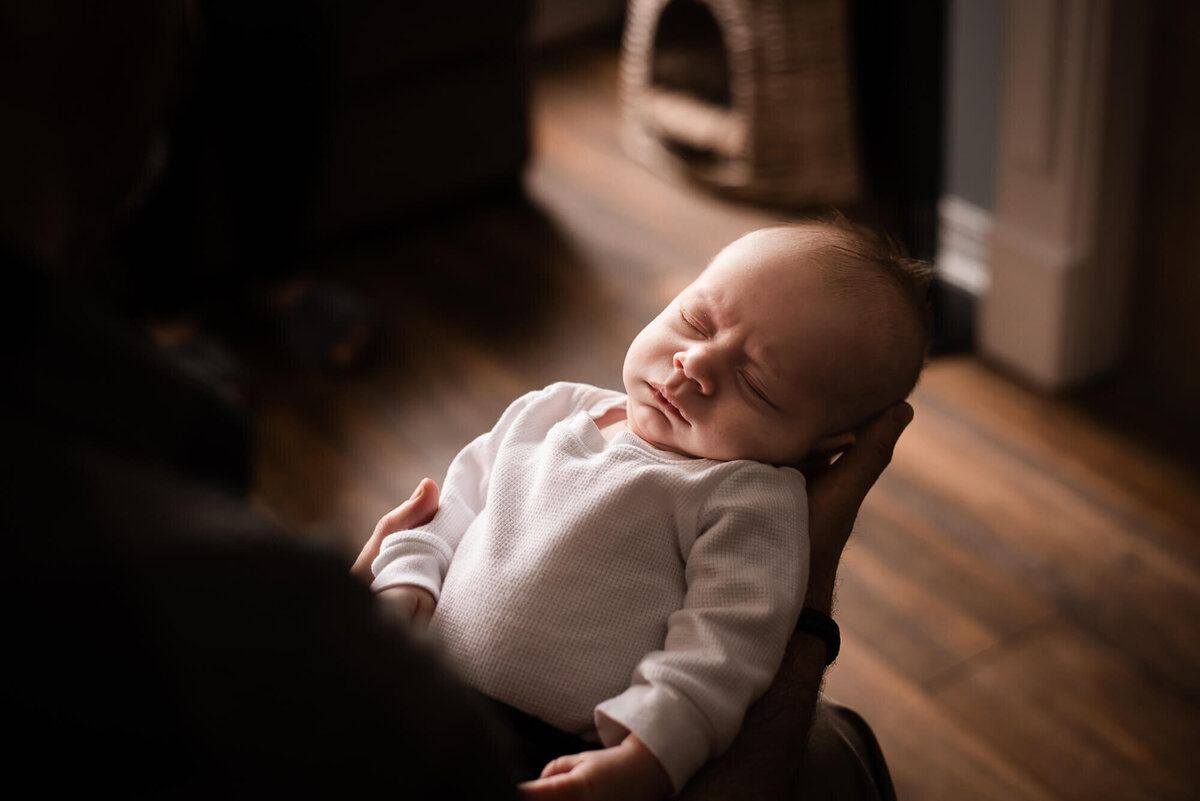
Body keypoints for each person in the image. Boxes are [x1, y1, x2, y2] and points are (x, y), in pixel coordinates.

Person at [365, 223, 930, 798]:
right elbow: (447, 512)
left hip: (547, 750)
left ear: (823, 448)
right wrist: (404, 583)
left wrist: (647, 757)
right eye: (695, 322)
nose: (695, 365)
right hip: (411, 678)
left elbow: (723, 651)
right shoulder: (550, 410)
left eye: (757, 384)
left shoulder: (747, 499)